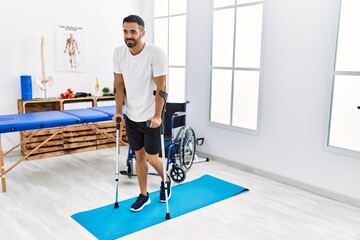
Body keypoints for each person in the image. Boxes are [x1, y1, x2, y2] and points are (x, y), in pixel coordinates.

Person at [112, 15, 171, 212]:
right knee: (138, 156)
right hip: (132, 115)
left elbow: (162, 87)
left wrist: (157, 115)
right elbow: (118, 85)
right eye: (125, 31)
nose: (129, 36)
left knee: (152, 157)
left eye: (133, 32)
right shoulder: (119, 53)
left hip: (150, 116)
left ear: (142, 33)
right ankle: (144, 195)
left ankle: (166, 179)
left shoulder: (155, 54)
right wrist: (119, 112)